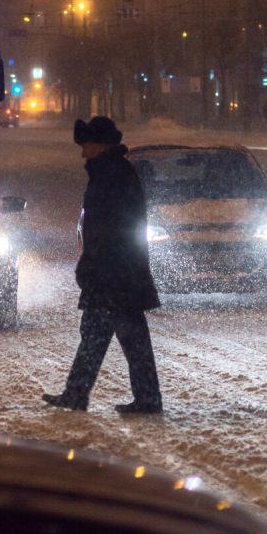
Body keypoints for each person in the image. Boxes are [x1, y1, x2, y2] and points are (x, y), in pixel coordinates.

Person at [43, 116, 163, 415]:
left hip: (114, 275)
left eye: (86, 145)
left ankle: (81, 394)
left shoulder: (112, 174)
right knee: (116, 340)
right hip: (121, 273)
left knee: (104, 338)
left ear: (100, 144)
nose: (83, 152)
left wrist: (93, 265)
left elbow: (108, 230)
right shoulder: (112, 172)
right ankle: (88, 394)